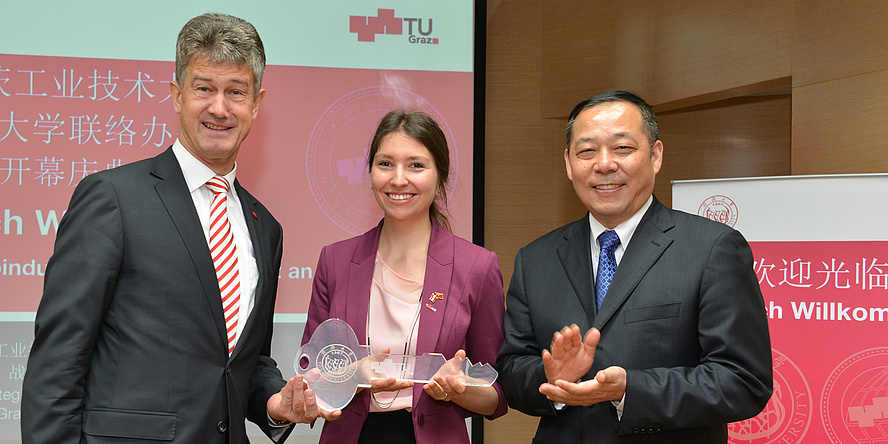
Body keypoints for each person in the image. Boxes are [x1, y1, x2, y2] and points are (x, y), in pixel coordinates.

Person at [21, 13, 338, 444]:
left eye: (236, 92)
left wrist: (273, 403)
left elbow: (245, 361)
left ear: (257, 104)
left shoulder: (266, 229)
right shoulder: (112, 198)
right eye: (204, 88)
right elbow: (59, 358)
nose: (220, 108)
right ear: (176, 94)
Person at [495, 90, 772, 443]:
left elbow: (743, 381)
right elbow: (512, 366)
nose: (605, 164)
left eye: (623, 148)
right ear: (568, 163)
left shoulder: (712, 248)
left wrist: (629, 390)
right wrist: (553, 379)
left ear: (655, 155)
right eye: (586, 151)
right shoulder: (536, 258)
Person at [302, 110, 508, 443]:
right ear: (370, 172)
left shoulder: (477, 267)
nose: (399, 179)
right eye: (385, 164)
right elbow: (311, 374)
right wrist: (352, 375)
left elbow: (497, 395)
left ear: (440, 177)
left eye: (416, 165)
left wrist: (458, 390)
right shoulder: (335, 260)